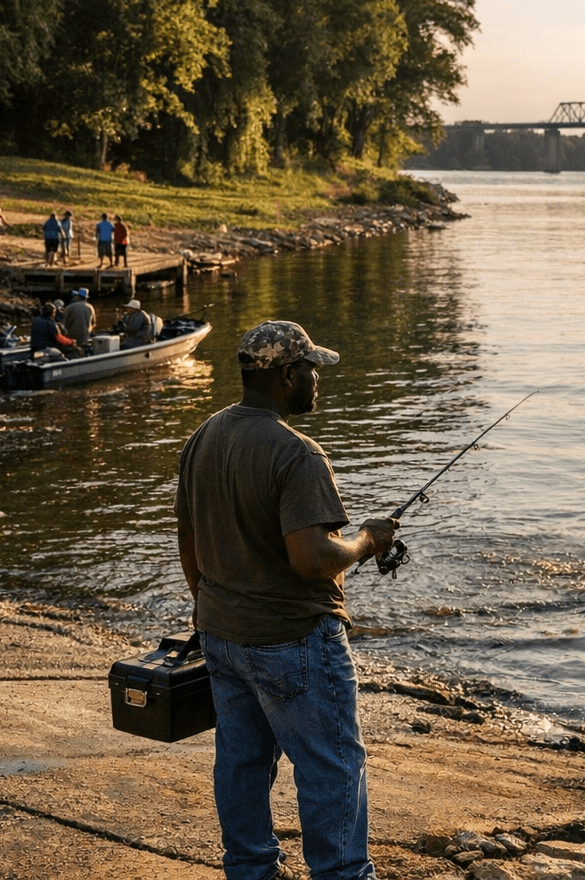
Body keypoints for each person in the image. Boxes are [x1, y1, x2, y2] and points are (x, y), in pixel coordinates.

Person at [175, 319, 399, 880]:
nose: (317, 379)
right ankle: (343, 874)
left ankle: (250, 871)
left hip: (223, 633)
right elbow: (312, 558)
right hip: (295, 639)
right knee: (332, 766)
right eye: (311, 369)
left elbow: (187, 532)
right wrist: (368, 539)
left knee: (242, 762)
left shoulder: (204, 435)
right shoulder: (297, 453)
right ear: (285, 375)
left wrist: (205, 603)